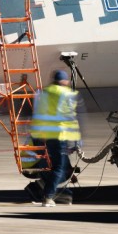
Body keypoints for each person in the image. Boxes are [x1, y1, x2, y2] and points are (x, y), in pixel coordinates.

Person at [29, 69, 83, 207]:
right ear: (64, 81)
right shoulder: (67, 94)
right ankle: (48, 197)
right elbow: (71, 117)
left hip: (45, 135)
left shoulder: (43, 93)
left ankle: (63, 195)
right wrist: (77, 140)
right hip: (60, 135)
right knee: (59, 167)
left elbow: (37, 113)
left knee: (58, 165)